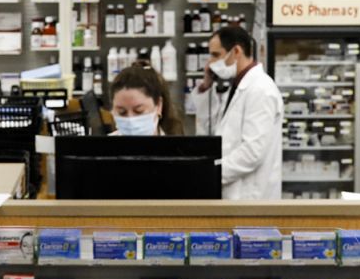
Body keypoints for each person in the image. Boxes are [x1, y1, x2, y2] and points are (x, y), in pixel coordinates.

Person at [194, 26, 283, 199]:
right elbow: (210, 128)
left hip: (250, 196)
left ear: (236, 51)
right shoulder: (236, 87)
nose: (211, 63)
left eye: (216, 55)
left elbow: (252, 152)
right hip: (233, 194)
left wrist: (211, 173)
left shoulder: (261, 89)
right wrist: (206, 86)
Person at [109, 62, 184, 136]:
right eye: (122, 112)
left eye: (139, 111)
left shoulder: (179, 147)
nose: (130, 120)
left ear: (158, 105)